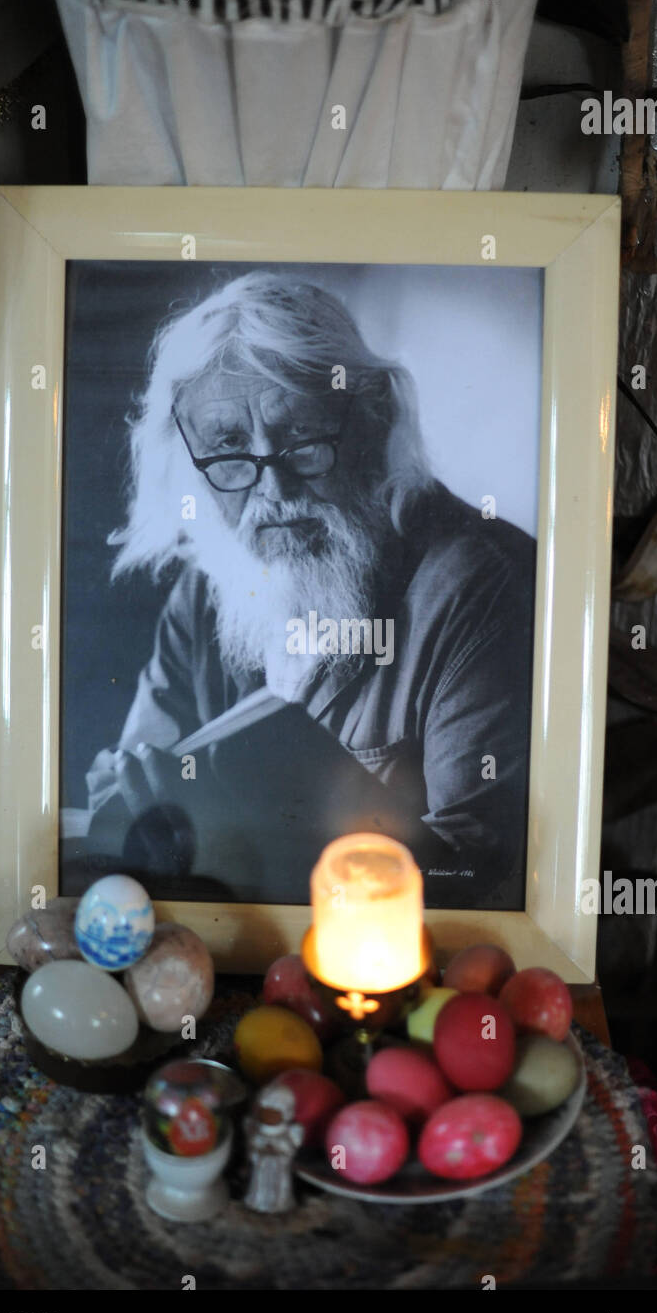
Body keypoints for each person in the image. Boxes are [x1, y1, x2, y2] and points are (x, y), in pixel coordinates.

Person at [85, 271, 535, 908]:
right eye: (229, 450)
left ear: (374, 418)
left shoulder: (480, 585)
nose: (274, 490)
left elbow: (473, 885)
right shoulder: (207, 585)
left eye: (302, 438)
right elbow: (130, 782)